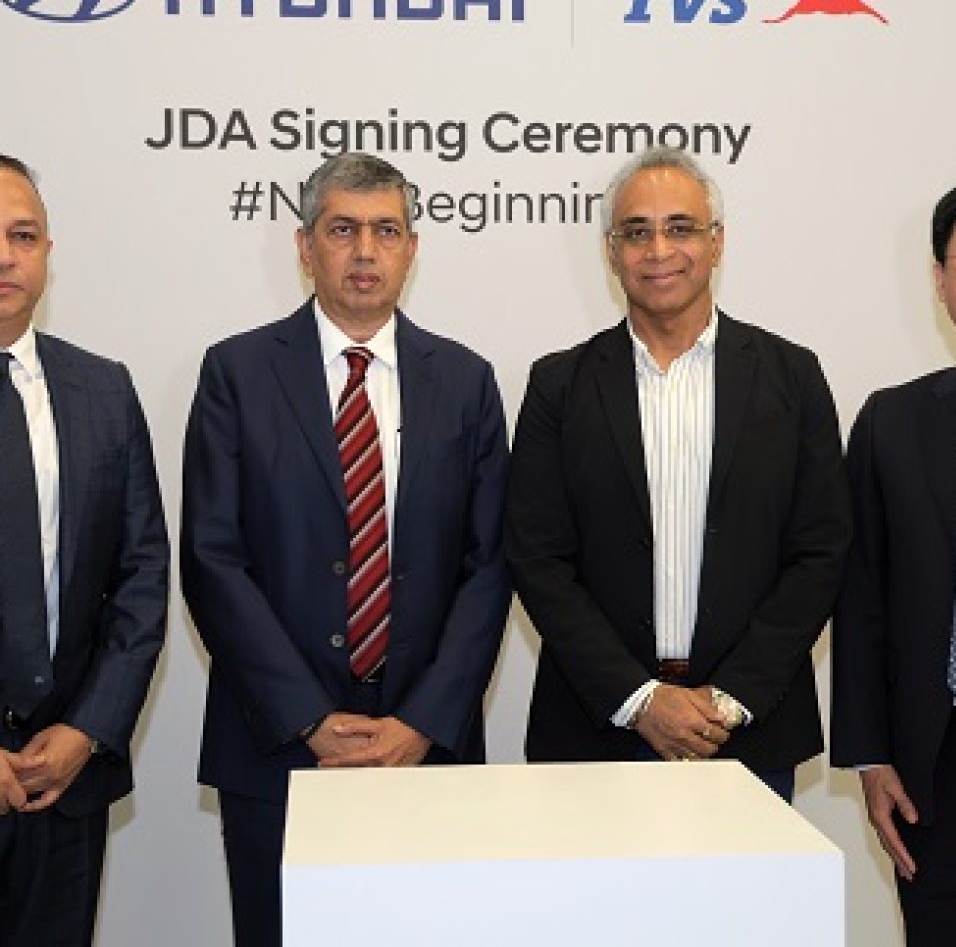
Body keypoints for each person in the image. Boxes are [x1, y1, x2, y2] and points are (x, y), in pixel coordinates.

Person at [180, 151, 511, 947]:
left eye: (386, 231)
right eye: (342, 230)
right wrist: (308, 719)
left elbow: (491, 565)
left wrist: (422, 722)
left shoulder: (466, 381)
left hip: (423, 750)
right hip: (278, 749)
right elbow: (211, 558)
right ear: (305, 247)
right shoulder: (236, 372)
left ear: (412, 248)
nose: (365, 251)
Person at [505, 146, 850, 800]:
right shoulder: (559, 385)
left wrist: (730, 698)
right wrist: (639, 699)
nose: (659, 250)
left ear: (717, 242)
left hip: (746, 732)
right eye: (637, 232)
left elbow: (821, 550)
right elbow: (537, 558)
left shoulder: (792, 377)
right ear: (611, 253)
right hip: (597, 731)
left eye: (681, 228)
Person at [832, 172, 956, 945]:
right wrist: (871, 759)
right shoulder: (891, 421)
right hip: (938, 767)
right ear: (941, 279)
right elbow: (861, 600)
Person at [0, 154, 168, 945]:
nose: (6, 256)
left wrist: (87, 730)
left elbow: (141, 576)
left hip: (63, 778)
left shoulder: (103, 389)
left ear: (48, 252)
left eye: (22, 235)